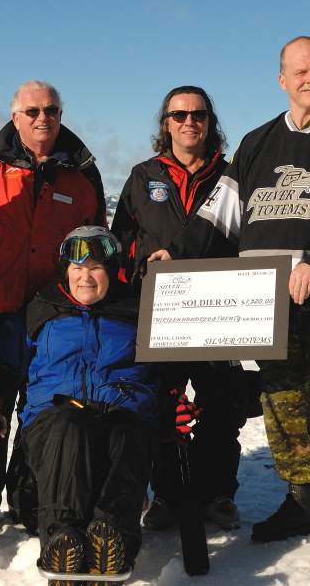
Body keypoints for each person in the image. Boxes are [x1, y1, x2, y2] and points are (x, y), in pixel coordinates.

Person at [150, 37, 310, 566]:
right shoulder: (257, 144)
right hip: (268, 303)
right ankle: (301, 499)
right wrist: (177, 253)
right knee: (282, 402)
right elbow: (219, 218)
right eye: (300, 71)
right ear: (281, 79)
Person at [0, 80, 106, 538]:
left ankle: (33, 503)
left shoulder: (82, 172)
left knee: (43, 411)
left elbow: (97, 248)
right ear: (15, 115)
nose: (43, 118)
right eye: (33, 111)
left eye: (52, 110)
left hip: (55, 317)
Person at [0, 226, 157, 581]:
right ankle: (62, 538)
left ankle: (112, 535)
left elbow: (169, 366)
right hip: (54, 422)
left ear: (112, 270)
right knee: (71, 424)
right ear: (64, 271)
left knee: (128, 429)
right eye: (77, 269)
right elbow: (3, 365)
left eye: (96, 268)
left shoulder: (136, 310)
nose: (85, 277)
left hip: (121, 414)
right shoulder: (41, 310)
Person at [111, 85, 247, 532]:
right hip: (159, 314)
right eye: (180, 115)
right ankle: (166, 495)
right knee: (161, 404)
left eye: (199, 115)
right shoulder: (142, 176)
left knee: (221, 405)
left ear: (210, 122)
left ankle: (217, 493)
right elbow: (120, 245)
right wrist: (137, 271)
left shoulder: (232, 177)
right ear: (165, 123)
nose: (190, 122)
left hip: (218, 311)